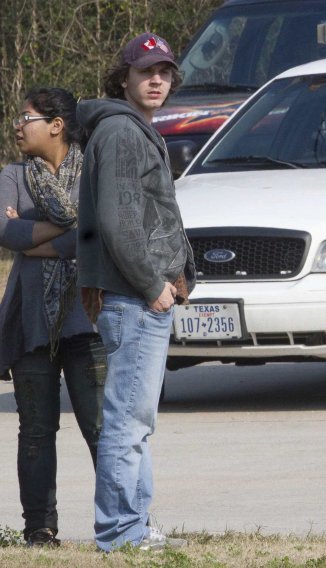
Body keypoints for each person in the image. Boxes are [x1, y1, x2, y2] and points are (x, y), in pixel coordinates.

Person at [76, 32, 195, 552]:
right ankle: (120, 531)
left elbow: (149, 214)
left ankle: (135, 525)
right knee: (127, 419)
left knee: (135, 419)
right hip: (135, 298)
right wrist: (153, 286)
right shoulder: (122, 132)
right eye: (145, 71)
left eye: (165, 72)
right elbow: (117, 220)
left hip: (138, 296)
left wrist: (180, 271)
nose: (156, 80)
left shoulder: (133, 129)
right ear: (122, 77)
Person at [0, 87, 106, 547]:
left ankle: (123, 521)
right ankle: (39, 528)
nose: (18, 126)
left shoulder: (95, 174)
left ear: (57, 124)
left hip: (88, 320)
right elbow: (5, 231)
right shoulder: (13, 175)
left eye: (27, 118)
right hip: (31, 323)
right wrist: (71, 229)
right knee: (36, 430)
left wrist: (36, 239)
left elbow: (97, 228)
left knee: (102, 428)